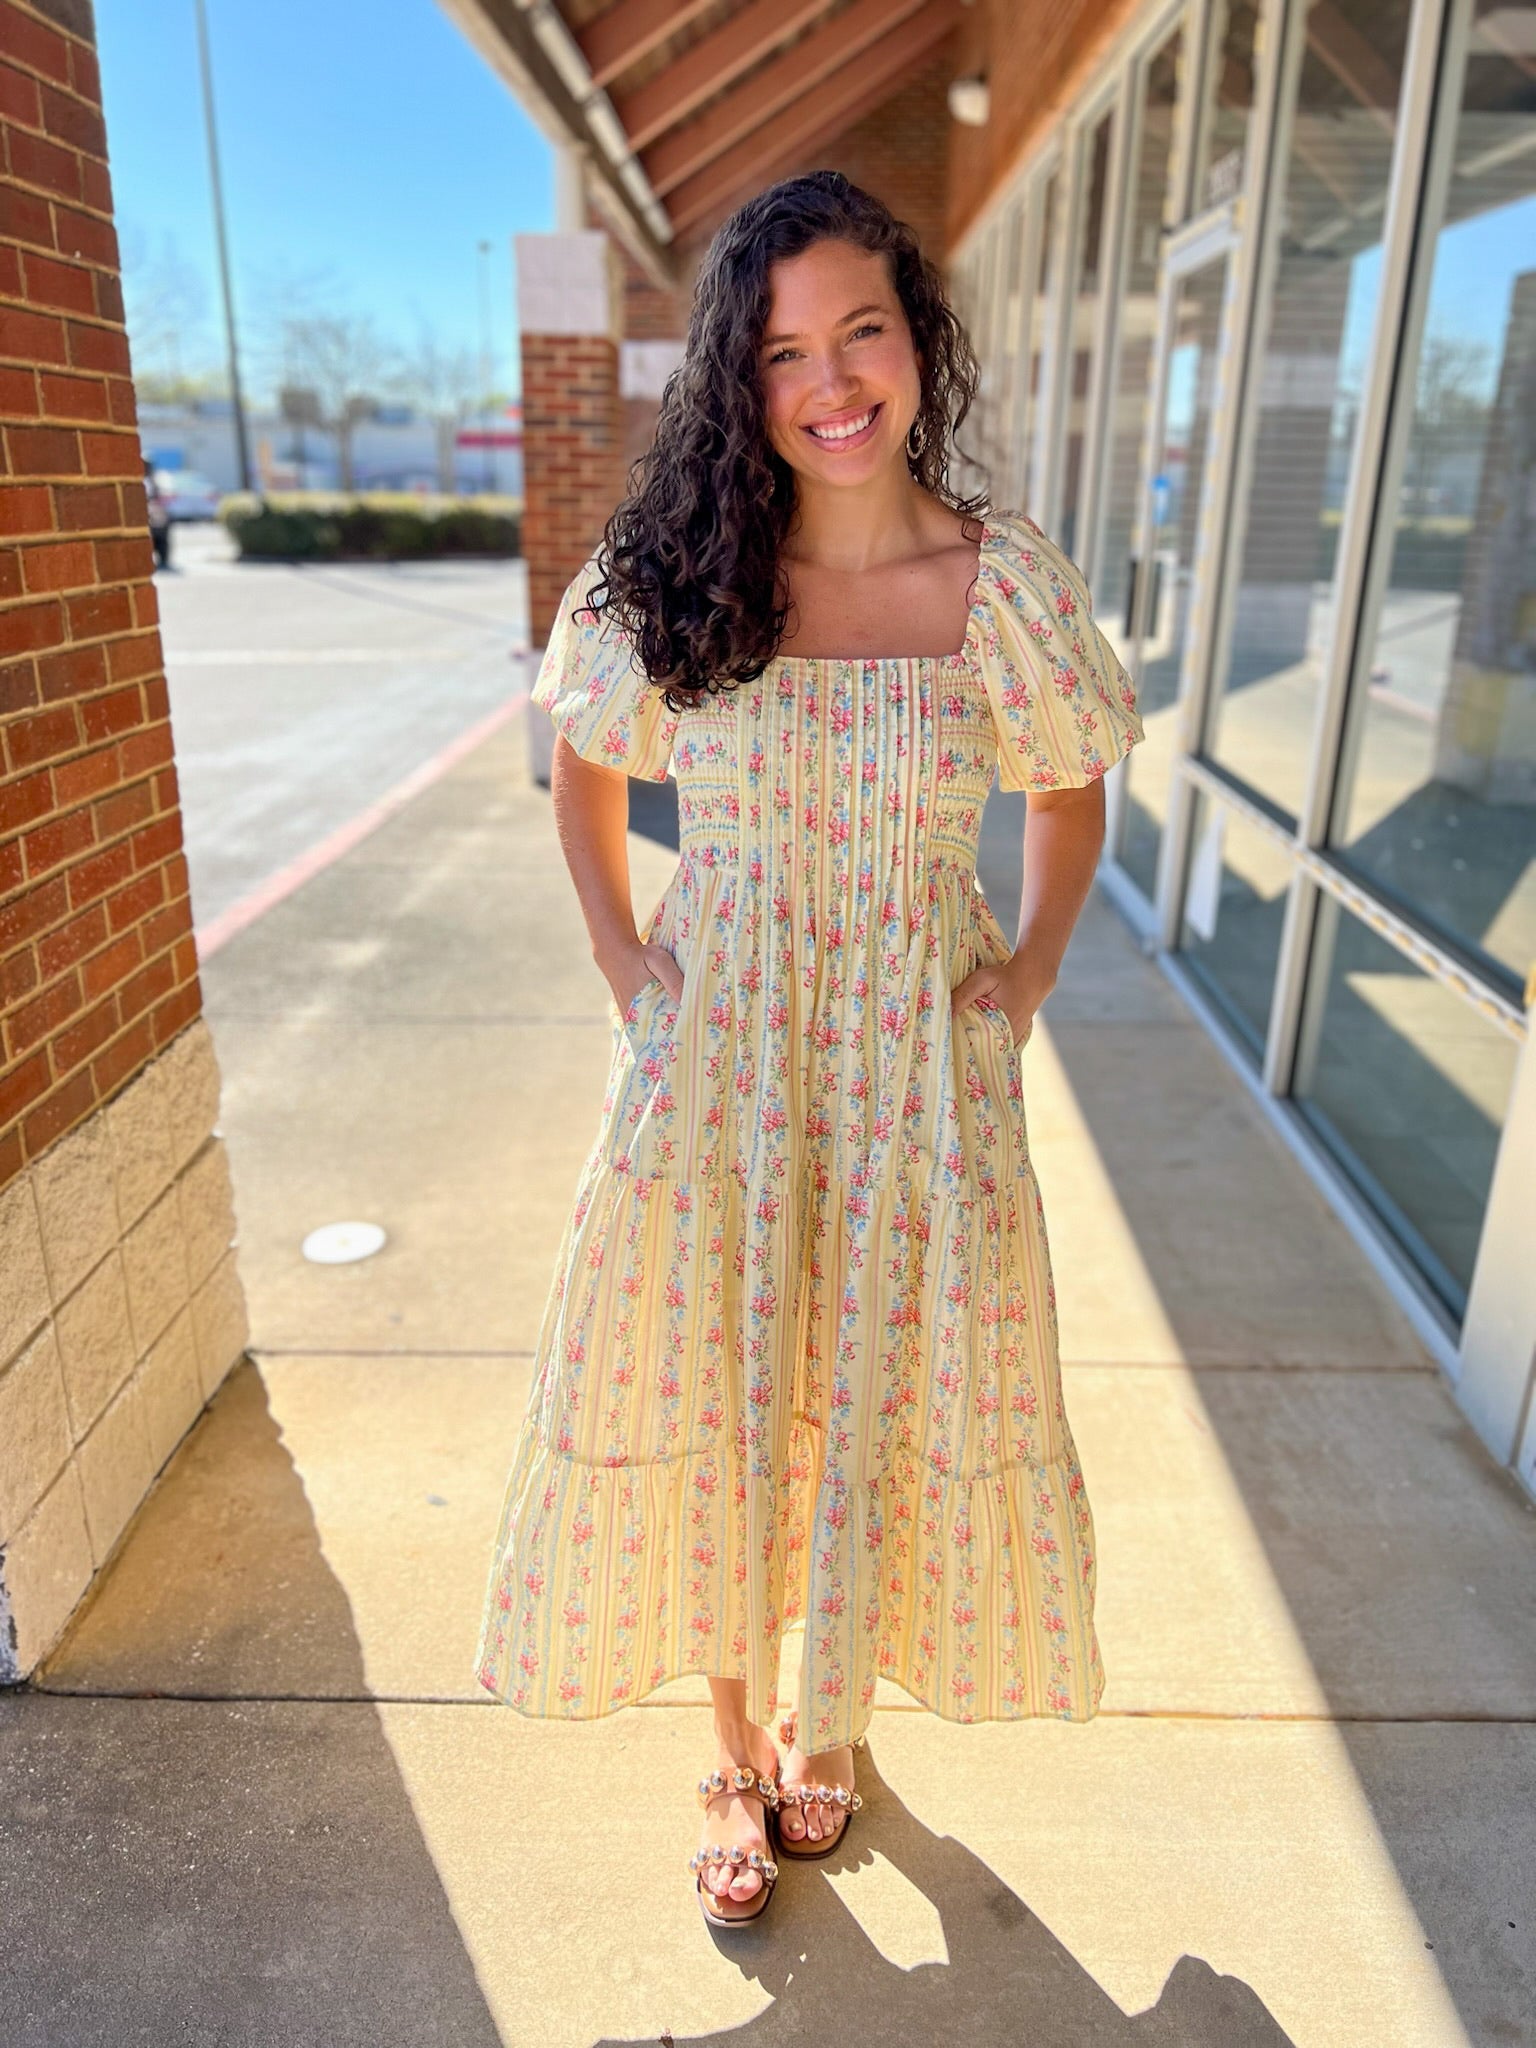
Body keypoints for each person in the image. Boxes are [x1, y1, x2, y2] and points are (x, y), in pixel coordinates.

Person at [475, 170, 1143, 1929]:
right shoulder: (684, 568)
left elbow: (1071, 788)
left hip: (918, 1063)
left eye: (862, 329)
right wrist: (630, 961)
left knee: (875, 1378)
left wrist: (1031, 971)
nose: (832, 380)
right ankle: (723, 1737)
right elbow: (588, 764)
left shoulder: (998, 582)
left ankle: (823, 1718)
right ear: (739, 381)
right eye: (784, 352)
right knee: (716, 1373)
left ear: (916, 340)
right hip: (726, 1054)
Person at [144, 459, 171, 571]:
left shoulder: (154, 480)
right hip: (150, 515)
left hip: (156, 515)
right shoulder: (146, 481)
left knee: (161, 538)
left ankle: (163, 560)